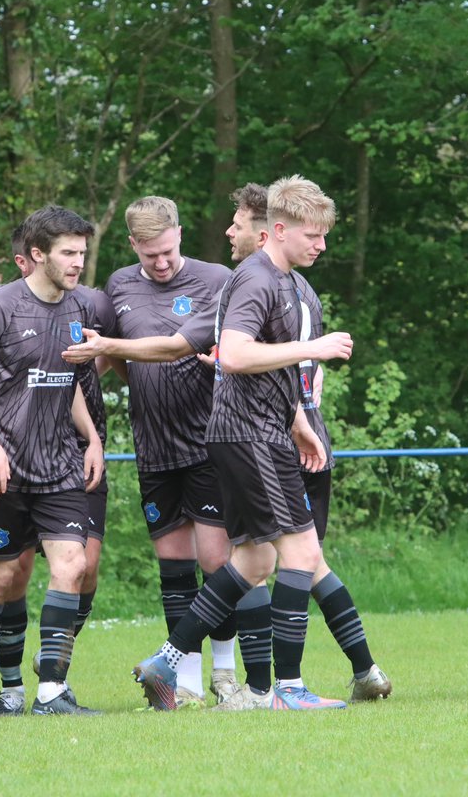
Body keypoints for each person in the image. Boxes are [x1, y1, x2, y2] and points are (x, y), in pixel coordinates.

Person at [132, 175, 354, 711]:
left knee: (253, 562)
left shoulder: (276, 278)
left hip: (255, 431)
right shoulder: (257, 280)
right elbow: (232, 354)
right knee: (300, 553)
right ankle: (289, 690)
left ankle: (165, 662)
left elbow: (259, 363)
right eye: (313, 235)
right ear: (278, 230)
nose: (321, 245)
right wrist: (313, 347)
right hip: (250, 435)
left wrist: (297, 416)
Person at [0, 205, 105, 716]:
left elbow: (71, 382)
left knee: (73, 565)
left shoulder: (79, 308)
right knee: (2, 579)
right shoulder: (0, 307)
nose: (78, 262)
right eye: (68, 253)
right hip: (5, 467)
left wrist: (92, 438)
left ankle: (51, 692)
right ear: (37, 255)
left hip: (59, 463)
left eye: (82, 252)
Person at [102, 196, 238, 707]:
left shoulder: (216, 279)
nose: (160, 262)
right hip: (153, 447)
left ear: (180, 233)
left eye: (167, 250)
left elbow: (181, 347)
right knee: (174, 568)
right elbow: (119, 356)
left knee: (216, 561)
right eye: (149, 253)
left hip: (208, 443)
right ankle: (185, 683)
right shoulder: (118, 285)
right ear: (133, 244)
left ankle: (226, 676)